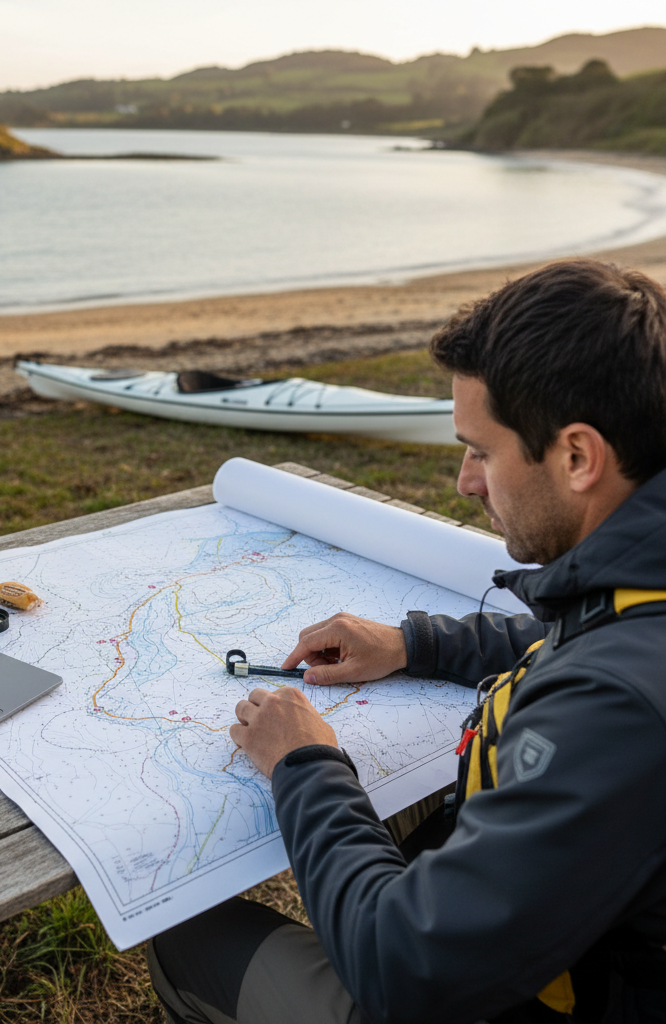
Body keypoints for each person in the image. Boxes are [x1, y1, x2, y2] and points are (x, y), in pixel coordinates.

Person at [146, 258, 666, 1024]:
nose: (465, 480)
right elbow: (581, 634)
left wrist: (305, 763)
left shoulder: (617, 713)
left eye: (483, 452)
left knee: (184, 935)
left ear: (579, 457)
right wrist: (411, 643)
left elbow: (402, 970)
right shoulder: (637, 586)